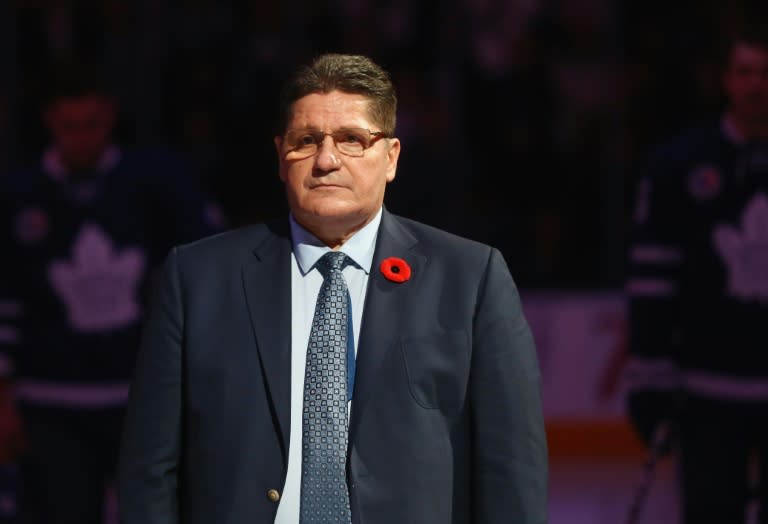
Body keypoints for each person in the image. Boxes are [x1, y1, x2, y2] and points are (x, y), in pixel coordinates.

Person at [118, 53, 548, 523]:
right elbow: (149, 470)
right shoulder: (196, 279)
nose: (326, 160)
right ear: (281, 157)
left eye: (351, 140)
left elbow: (511, 472)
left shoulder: (470, 279)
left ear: (391, 157)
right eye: (306, 141)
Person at [0, 60, 218, 523]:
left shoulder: (156, 184)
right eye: (69, 126)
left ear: (111, 117)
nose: (82, 138)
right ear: (49, 122)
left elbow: (203, 277)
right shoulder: (18, 194)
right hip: (49, 398)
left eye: (92, 125)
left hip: (141, 394)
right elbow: (5, 301)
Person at [625, 24, 768, 524]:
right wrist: (649, 378)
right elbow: (652, 283)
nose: (756, 86)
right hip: (708, 393)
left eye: (765, 74)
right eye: (745, 72)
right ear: (727, 80)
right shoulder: (681, 163)